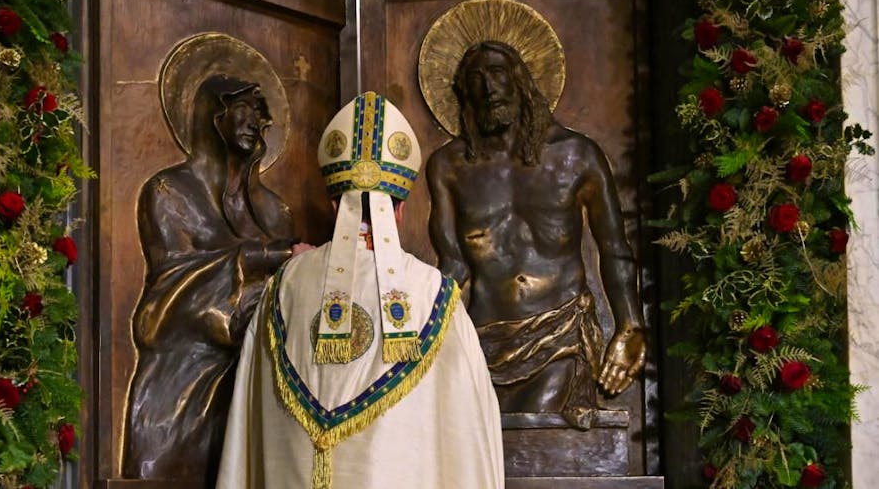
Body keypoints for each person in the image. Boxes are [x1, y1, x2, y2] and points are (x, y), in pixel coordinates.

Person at [217, 92, 504, 489]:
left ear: (335, 206)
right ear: (400, 211)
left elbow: (249, 420)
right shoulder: (434, 294)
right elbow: (469, 431)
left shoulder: (284, 286)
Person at [427, 40, 646, 429]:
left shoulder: (577, 155)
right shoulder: (450, 165)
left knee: (538, 432)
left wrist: (630, 326)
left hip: (560, 333)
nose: (488, 89)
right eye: (476, 79)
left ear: (521, 83)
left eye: (497, 74)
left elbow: (614, 250)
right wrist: (421, 338)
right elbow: (453, 265)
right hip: (482, 338)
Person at [123, 75, 301, 483]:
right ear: (210, 114)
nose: (255, 120)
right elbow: (173, 285)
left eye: (260, 110)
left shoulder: (275, 211)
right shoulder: (169, 191)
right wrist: (271, 255)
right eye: (242, 107)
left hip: (256, 380)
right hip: (183, 379)